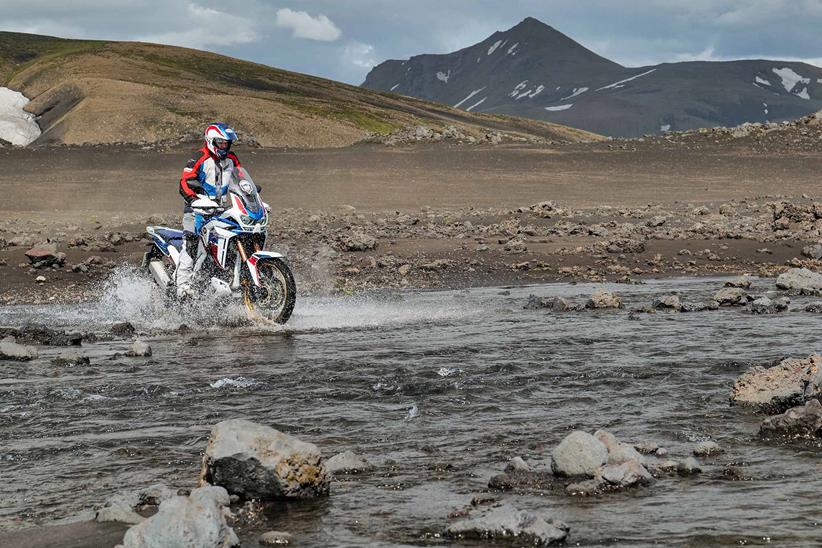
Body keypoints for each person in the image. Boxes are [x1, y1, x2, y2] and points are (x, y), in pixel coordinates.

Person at [176, 123, 241, 298]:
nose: (224, 146)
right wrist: (193, 199)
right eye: (220, 142)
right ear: (211, 141)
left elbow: (240, 178)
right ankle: (182, 287)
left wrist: (248, 193)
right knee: (191, 243)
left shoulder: (232, 159)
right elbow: (184, 182)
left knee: (233, 241)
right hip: (197, 210)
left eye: (226, 143)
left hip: (222, 210)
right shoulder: (199, 158)